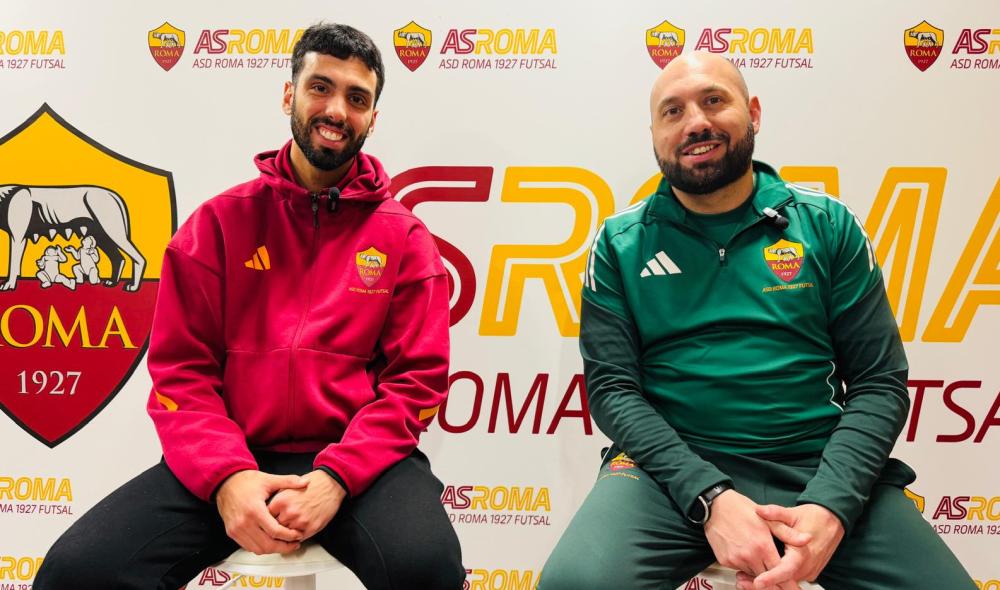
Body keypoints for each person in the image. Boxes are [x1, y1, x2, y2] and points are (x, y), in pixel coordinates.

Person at [35, 23, 463, 590]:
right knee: (75, 573)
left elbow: (416, 383)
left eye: (357, 98)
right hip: (231, 450)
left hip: (357, 460)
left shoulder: (404, 239)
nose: (337, 110)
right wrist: (227, 477)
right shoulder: (216, 225)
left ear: (372, 118)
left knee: (428, 569)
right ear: (289, 95)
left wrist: (336, 477)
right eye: (320, 87)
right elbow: (181, 373)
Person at [539, 51, 975, 590]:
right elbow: (613, 390)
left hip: (816, 461)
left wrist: (831, 505)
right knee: (573, 583)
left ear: (754, 114)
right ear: (654, 135)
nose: (695, 122)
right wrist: (709, 497)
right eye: (673, 111)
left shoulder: (827, 224)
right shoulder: (620, 243)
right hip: (667, 472)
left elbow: (879, 382)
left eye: (713, 101)